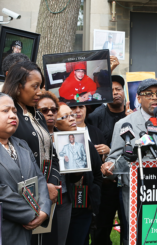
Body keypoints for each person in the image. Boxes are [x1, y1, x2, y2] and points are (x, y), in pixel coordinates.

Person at [100, 79, 157, 242]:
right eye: (149, 94)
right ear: (138, 98)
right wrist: (109, 168)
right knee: (137, 238)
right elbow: (114, 159)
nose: (155, 98)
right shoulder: (124, 124)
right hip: (136, 193)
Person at [0, 93, 51, 245]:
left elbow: (40, 179)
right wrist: (31, 214)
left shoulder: (21, 144)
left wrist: (44, 211)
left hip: (26, 230)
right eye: (5, 111)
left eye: (15, 112)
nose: (13, 115)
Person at [1, 61, 61, 244]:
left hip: (48, 196)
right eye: (34, 86)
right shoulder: (9, 117)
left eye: (41, 86)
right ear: (18, 86)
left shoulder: (39, 115)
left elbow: (53, 155)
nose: (40, 92)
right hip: (22, 198)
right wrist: (43, 189)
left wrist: (52, 184)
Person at [86, 75, 132, 244]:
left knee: (129, 226)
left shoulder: (133, 115)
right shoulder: (96, 116)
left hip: (128, 182)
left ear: (124, 91)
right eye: (111, 90)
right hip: (106, 184)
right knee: (101, 228)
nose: (115, 93)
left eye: (118, 89)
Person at [55, 103, 103, 245]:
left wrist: (92, 197)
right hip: (59, 207)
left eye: (72, 115)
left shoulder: (85, 143)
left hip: (82, 208)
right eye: (65, 116)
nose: (72, 118)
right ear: (55, 123)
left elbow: (98, 174)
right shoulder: (49, 144)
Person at [36, 91, 71, 245]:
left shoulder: (68, 138)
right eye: (44, 110)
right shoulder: (30, 138)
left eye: (54, 109)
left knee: (60, 239)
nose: (50, 113)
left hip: (63, 196)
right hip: (38, 196)